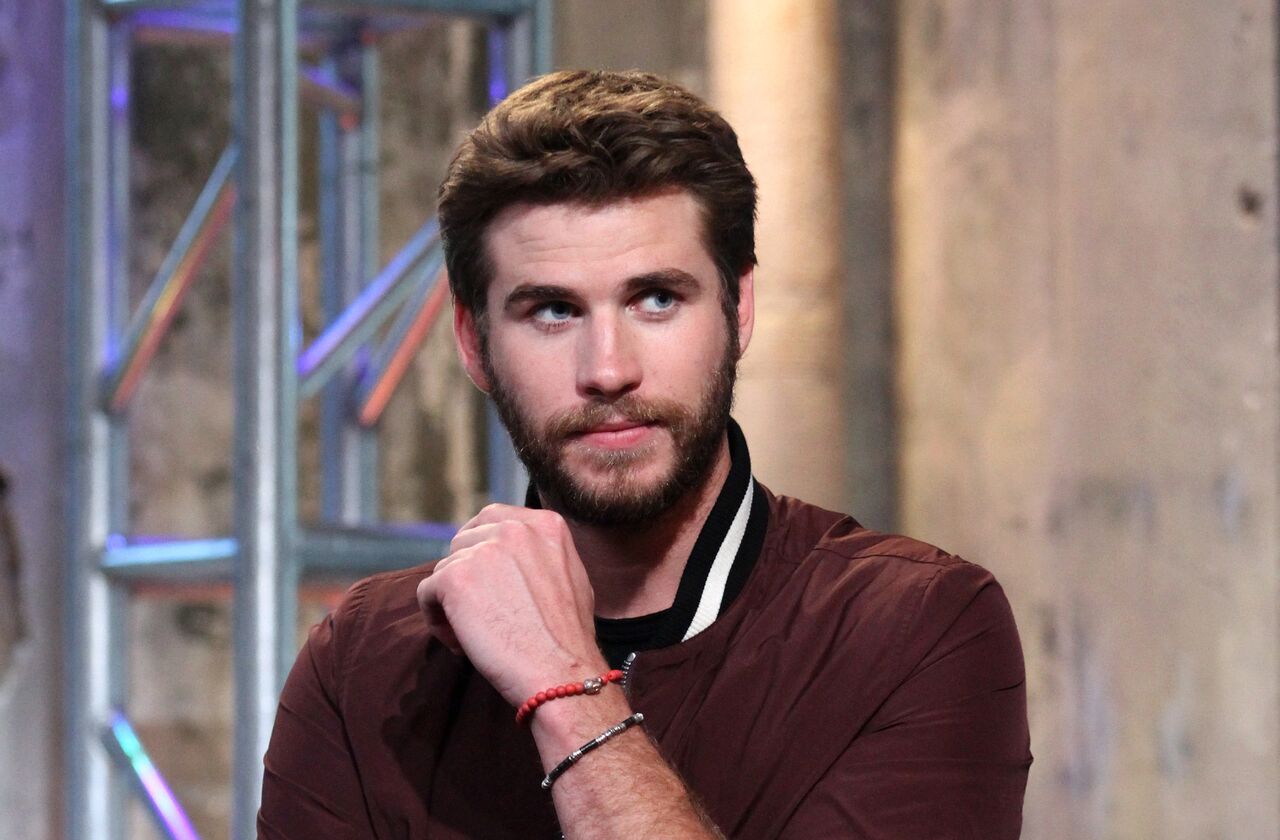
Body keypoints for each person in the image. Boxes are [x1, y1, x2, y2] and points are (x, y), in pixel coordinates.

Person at [258, 70, 1031, 839]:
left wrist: (563, 684)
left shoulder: (917, 629)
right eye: (553, 310)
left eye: (656, 299)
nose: (608, 369)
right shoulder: (366, 664)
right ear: (474, 343)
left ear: (739, 308)